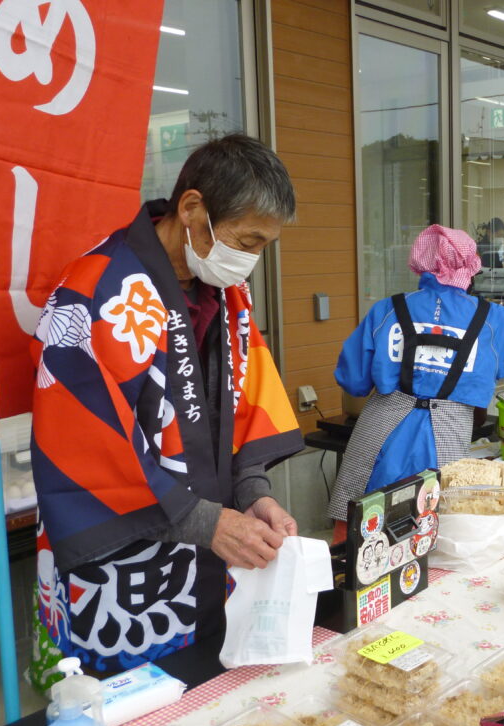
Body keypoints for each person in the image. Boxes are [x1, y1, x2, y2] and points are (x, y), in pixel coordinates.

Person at [29, 135, 305, 689]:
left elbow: (245, 404)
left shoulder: (227, 293)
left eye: (262, 246)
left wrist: (256, 492)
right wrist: (207, 521)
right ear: (193, 210)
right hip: (126, 572)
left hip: (211, 559)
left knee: (211, 704)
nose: (250, 259)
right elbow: (83, 443)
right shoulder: (93, 294)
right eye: (247, 240)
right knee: (133, 718)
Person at [328, 224, 504, 537]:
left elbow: (353, 380)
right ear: (470, 266)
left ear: (419, 263)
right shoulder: (492, 320)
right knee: (435, 526)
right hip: (447, 432)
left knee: (362, 528)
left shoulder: (387, 310)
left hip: (380, 431)